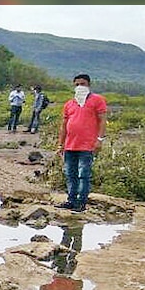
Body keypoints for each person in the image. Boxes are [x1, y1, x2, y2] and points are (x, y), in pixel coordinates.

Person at [57, 74, 108, 213]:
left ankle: (81, 203)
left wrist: (100, 139)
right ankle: (71, 200)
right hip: (70, 145)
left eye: (83, 83)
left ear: (89, 84)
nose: (80, 87)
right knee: (70, 174)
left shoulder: (97, 100)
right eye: (77, 84)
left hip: (87, 145)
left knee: (84, 174)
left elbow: (103, 120)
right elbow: (64, 125)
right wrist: (60, 144)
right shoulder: (69, 104)